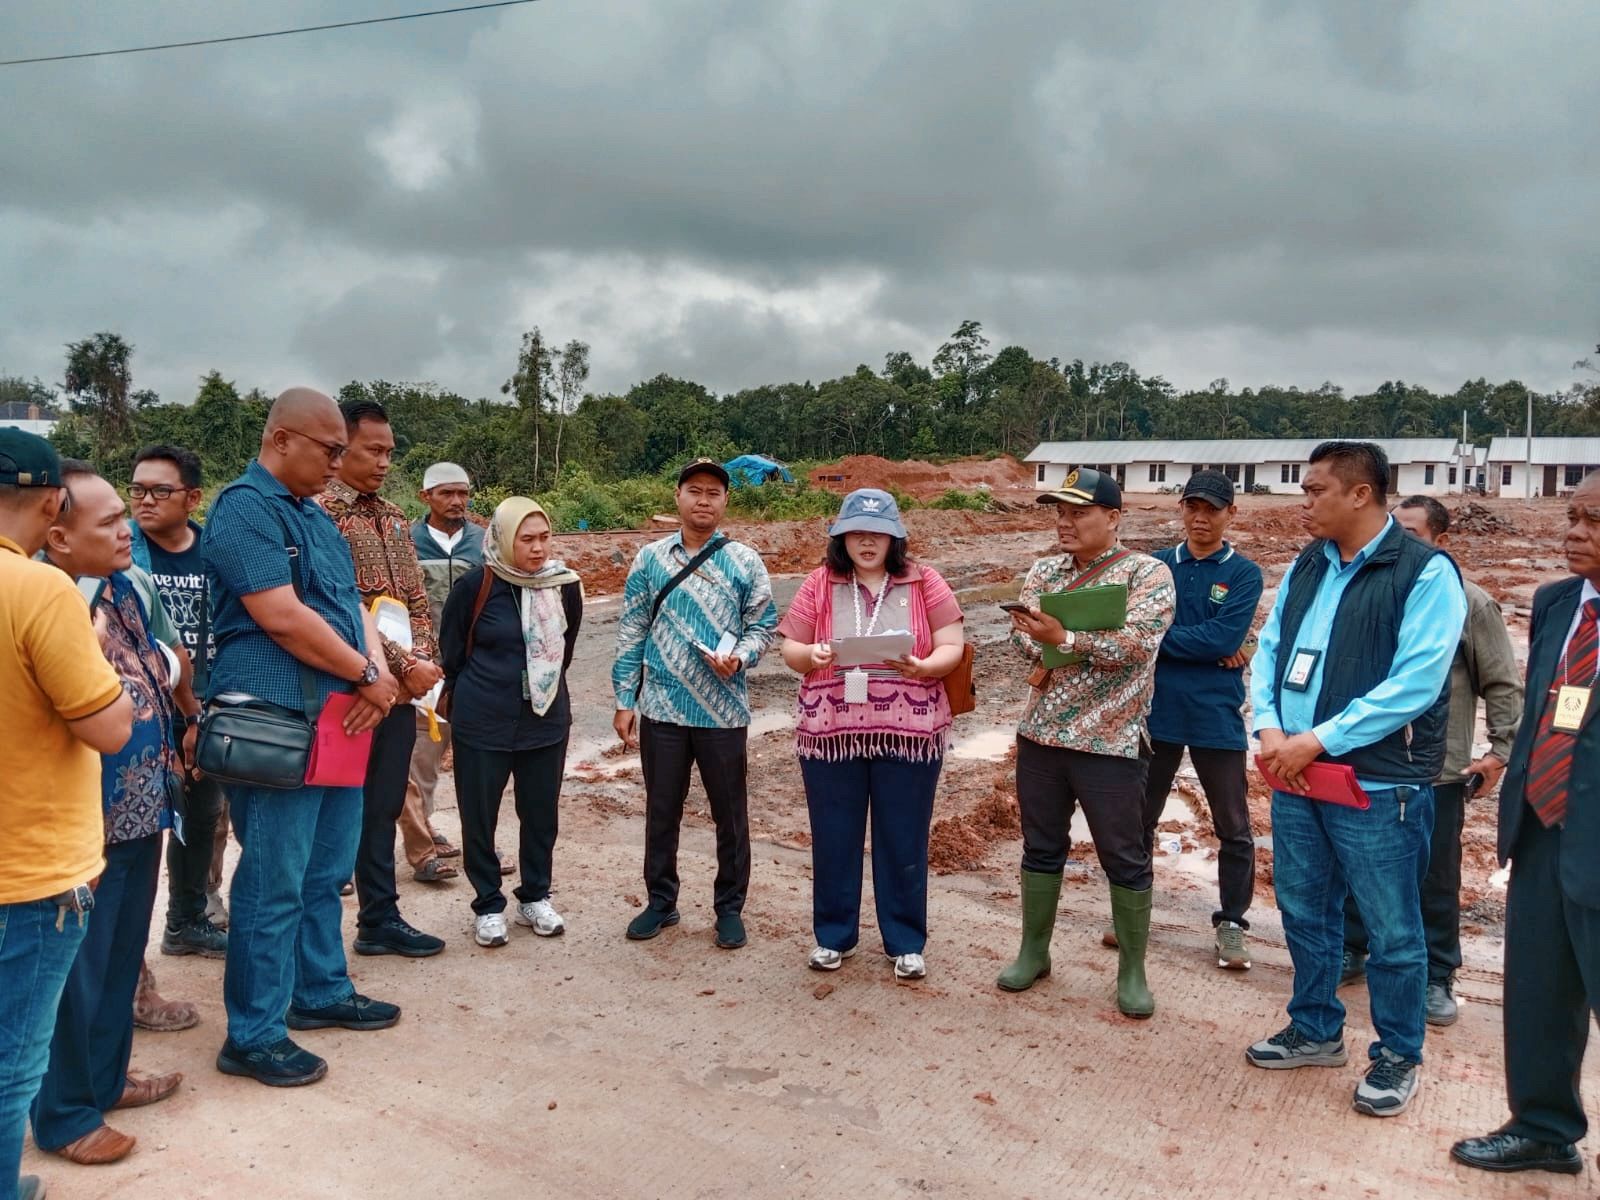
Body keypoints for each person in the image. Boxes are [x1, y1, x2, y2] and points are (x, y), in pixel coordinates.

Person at [1246, 441, 1465, 1119]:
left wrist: (1318, 739)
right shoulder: (1310, 563)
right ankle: (1315, 1027)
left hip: (1377, 782)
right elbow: (1272, 651)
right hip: (1296, 771)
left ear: (1360, 495)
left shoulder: (1425, 573)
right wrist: (1271, 727)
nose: (1303, 502)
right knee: (1305, 909)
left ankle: (1398, 1055)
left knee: (1393, 929)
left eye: (1315, 491)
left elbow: (1416, 684)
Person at [203, 387, 402, 1088]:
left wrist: (375, 676)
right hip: (276, 719)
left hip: (337, 717)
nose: (338, 462)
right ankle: (253, 1034)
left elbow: (350, 606)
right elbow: (281, 617)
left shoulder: (315, 517)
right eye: (330, 449)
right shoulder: (243, 510)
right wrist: (364, 674)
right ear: (282, 439)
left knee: (325, 871)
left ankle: (318, 989)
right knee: (272, 881)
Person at [31, 462, 192, 1166]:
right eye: (108, 524)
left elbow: (159, 671)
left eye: (123, 517)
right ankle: (65, 1115)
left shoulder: (126, 586)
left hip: (140, 808)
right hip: (83, 821)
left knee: (122, 957)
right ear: (58, 536)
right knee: (78, 971)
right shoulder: (50, 600)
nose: (127, 529)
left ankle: (103, 1082)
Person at [1452, 471, 1600, 1175]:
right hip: (1544, 828)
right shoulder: (1557, 601)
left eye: (1594, 521)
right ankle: (1543, 1127)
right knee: (1539, 992)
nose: (1574, 532)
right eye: (1573, 516)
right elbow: (1548, 704)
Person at [0, 431, 132, 1200]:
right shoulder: (39, 590)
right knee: (13, 1064)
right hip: (30, 872)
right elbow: (108, 726)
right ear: (53, 502)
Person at [1341, 495, 1522, 1026]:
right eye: (1395, 530)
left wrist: (1500, 752)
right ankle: (1354, 950)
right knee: (1357, 862)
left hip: (1436, 770)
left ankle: (1437, 974)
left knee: (1434, 876)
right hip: (1367, 761)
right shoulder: (1371, 593)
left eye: (1414, 534)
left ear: (1441, 541)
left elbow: (1502, 683)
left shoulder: (1470, 602)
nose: (1401, 542)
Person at [1001, 467, 1176, 1018]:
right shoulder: (1044, 570)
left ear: (1114, 518)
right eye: (1060, 512)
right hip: (1043, 735)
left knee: (1123, 855)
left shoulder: (1148, 575)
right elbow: (1021, 642)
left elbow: (1139, 644)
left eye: (1079, 512)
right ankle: (1034, 950)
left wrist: (1066, 638)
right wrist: (1054, 641)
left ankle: (1132, 969)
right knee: (1041, 845)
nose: (1065, 522)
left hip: (1113, 739)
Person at [777, 489, 965, 981]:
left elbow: (954, 644)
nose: (866, 540)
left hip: (910, 732)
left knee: (903, 836)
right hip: (830, 731)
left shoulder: (925, 581)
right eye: (856, 531)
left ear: (894, 537)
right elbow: (790, 647)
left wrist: (925, 666)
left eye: (877, 532)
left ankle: (905, 941)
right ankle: (833, 937)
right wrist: (810, 656)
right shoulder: (820, 582)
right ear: (841, 536)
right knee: (834, 836)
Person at [613, 458, 778, 950]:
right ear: (678, 497)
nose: (703, 500)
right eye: (694, 490)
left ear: (726, 502)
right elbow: (632, 629)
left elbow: (764, 625)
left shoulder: (745, 561)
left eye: (714, 492)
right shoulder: (649, 560)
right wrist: (626, 699)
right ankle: (661, 902)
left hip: (723, 711)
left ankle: (729, 908)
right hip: (662, 708)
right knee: (661, 810)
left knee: (730, 814)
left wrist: (742, 656)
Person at [321, 399, 447, 957]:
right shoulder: (319, 514)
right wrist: (401, 666)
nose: (384, 462)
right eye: (373, 450)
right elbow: (340, 606)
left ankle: (379, 918)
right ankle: (325, 931)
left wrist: (424, 663)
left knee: (384, 803)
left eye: (389, 452)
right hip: (348, 690)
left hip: (399, 695)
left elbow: (417, 600)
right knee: (336, 811)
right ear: (339, 446)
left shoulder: (396, 518)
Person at [441, 498, 582, 948]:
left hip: (544, 720)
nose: (538, 549)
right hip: (482, 721)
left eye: (544, 538)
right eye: (526, 539)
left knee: (540, 814)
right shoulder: (476, 585)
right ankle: (487, 903)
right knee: (479, 816)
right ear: (503, 539)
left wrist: (540, 687)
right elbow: (453, 653)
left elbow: (566, 648)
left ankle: (535, 896)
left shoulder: (564, 585)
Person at [1140, 470, 1263, 969]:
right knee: (1138, 819)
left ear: (1231, 513)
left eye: (1212, 509)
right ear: (1181, 509)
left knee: (1232, 825)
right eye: (1193, 506)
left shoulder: (1244, 573)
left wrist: (1162, 638)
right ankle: (1132, 909)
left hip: (1216, 715)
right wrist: (1211, 643)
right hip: (1158, 712)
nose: (1200, 517)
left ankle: (1232, 924)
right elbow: (1142, 629)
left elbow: (1221, 638)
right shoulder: (1156, 566)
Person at [129, 444, 229, 965]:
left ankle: (186, 921)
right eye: (138, 489)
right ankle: (126, 952)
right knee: (133, 824)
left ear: (192, 497)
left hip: (202, 703)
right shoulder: (119, 552)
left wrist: (203, 710)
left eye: (160, 491)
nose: (145, 501)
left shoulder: (215, 552)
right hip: (139, 708)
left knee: (202, 813)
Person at [401, 461, 487, 881]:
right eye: (446, 494)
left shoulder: (483, 542)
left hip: (470, 670)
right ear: (426, 498)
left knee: (471, 757)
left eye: (463, 494)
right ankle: (423, 843)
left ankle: (474, 842)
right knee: (421, 760)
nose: (457, 502)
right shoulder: (408, 543)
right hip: (422, 668)